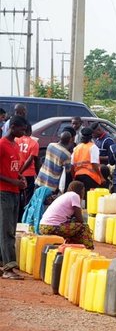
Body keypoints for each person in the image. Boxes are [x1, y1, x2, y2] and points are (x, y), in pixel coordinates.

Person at [0, 116, 28, 280]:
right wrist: (13, 181)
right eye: (22, 130)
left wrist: (20, 178)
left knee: (8, 228)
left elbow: (13, 168)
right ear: (13, 127)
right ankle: (9, 267)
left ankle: (3, 263)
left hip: (14, 191)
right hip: (4, 191)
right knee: (7, 230)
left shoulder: (15, 145)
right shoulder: (2, 144)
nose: (23, 133)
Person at [39, 181, 94, 249]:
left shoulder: (65, 195)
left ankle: (71, 248)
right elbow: (80, 219)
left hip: (43, 226)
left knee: (73, 227)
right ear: (81, 190)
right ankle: (89, 249)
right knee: (83, 227)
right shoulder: (74, 196)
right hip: (52, 226)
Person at [71, 127, 104, 192]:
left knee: (81, 197)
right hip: (90, 177)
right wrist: (101, 177)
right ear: (91, 137)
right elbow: (94, 163)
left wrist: (73, 177)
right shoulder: (93, 147)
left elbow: (72, 165)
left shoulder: (77, 148)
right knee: (89, 198)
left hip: (78, 176)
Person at [17, 125, 39, 218]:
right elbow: (31, 160)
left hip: (16, 172)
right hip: (28, 174)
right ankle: (25, 218)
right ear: (30, 131)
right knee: (28, 197)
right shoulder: (34, 143)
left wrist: (19, 172)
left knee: (17, 195)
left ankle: (17, 216)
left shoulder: (16, 140)